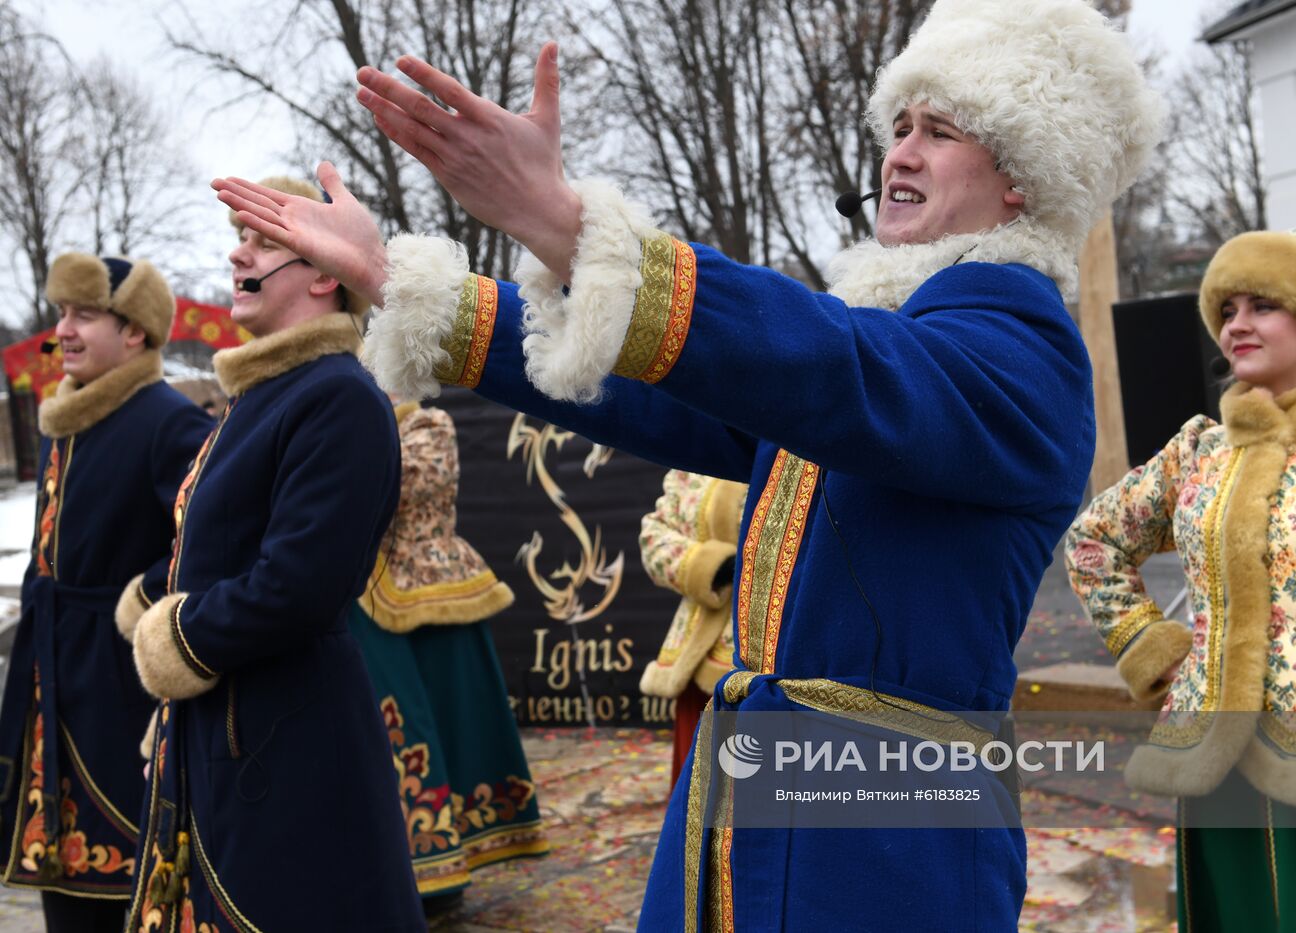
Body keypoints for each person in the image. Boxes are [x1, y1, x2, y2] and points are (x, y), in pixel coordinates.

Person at [213, 0, 1162, 927]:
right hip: (749, 804)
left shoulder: (1023, 351)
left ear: (1023, 180)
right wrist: (403, 285)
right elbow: (655, 392)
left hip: (888, 838)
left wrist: (565, 221)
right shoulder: (897, 344)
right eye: (899, 123)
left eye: (941, 131)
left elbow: (833, 366)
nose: (899, 151)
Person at [1065, 227, 1296, 931]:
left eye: (1263, 305)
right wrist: (1151, 647)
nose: (1236, 323)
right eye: (1227, 308)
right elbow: (1093, 541)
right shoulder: (1197, 451)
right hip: (1211, 764)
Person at [119, 177, 424, 931]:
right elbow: (213, 551)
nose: (236, 253)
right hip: (231, 732)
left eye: (260, 241)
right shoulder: (262, 396)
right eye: (238, 237)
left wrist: (175, 637)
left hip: (290, 749)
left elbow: (300, 583)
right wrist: (159, 598)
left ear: (324, 274)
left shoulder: (339, 396)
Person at [0, 253, 212, 931]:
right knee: (59, 874)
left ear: (136, 333)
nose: (63, 328)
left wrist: (140, 601)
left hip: (119, 686)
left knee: (128, 877)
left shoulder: (165, 420)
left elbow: (210, 539)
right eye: (61, 313)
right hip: (52, 676)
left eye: (84, 314)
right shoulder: (66, 418)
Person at [349, 397, 547, 909]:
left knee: (437, 729)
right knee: (389, 735)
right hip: (354, 605)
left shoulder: (425, 423)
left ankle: (439, 871)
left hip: (430, 601)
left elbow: (391, 487)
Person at [637, 470, 744, 789]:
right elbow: (653, 535)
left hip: (769, 653)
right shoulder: (695, 464)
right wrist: (709, 566)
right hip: (698, 658)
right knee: (697, 795)